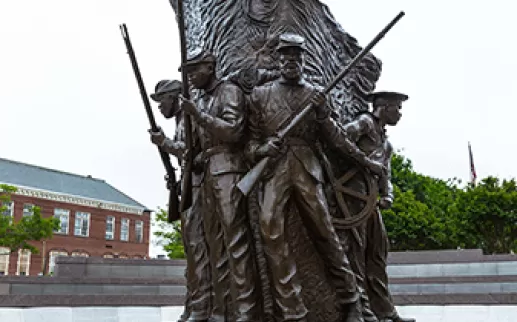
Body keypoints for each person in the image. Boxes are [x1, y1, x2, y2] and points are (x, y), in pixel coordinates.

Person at [246, 32, 364, 322]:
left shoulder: (316, 94)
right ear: (278, 60)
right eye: (285, 57)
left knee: (325, 232)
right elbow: (248, 143)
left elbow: (333, 137)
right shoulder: (260, 95)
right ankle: (292, 308)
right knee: (269, 226)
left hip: (306, 167)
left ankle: (352, 300)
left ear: (303, 61)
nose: (291, 62)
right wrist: (262, 149)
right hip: (274, 169)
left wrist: (323, 115)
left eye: (296, 57)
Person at [319, 90, 416, 322]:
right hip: (352, 199)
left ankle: (385, 310)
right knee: (355, 253)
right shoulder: (364, 123)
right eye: (397, 108)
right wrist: (364, 162)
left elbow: (386, 176)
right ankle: (363, 310)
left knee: (377, 255)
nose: (400, 114)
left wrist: (388, 196)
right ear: (382, 106)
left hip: (370, 202)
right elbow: (339, 141)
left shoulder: (387, 144)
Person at [179, 49, 260, 322]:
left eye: (194, 70)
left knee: (236, 242)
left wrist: (199, 116)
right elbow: (200, 145)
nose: (190, 77)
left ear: (210, 67)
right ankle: (221, 310)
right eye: (187, 72)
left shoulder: (229, 91)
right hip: (207, 175)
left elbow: (234, 130)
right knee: (216, 246)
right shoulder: (200, 99)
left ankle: (246, 311)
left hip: (229, 171)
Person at [149, 79, 213, 322]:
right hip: (188, 186)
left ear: (174, 97)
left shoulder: (188, 119)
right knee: (191, 249)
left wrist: (164, 144)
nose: (159, 107)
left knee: (198, 247)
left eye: (161, 100)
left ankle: (202, 307)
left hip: (199, 186)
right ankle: (194, 303)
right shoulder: (179, 122)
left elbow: (192, 153)